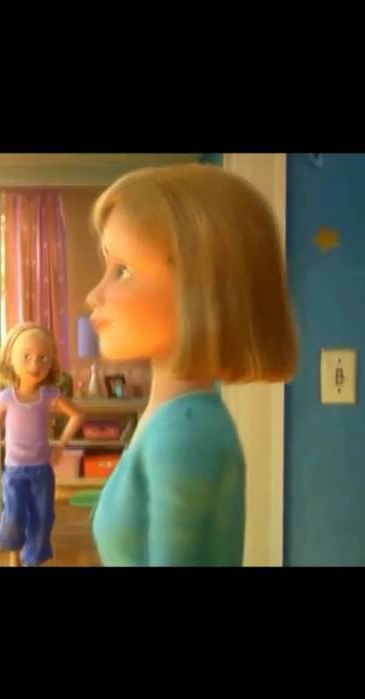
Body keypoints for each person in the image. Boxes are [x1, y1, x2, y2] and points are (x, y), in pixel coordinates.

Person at [86, 164, 297, 566]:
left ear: (198, 286)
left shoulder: (183, 432)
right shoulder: (174, 418)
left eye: (122, 270)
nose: (95, 295)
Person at [0, 322, 83, 566]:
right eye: (26, 356)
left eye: (43, 358)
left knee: (42, 517)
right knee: (13, 517)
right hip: (14, 471)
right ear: (10, 359)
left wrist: (60, 444)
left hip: (41, 471)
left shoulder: (49, 396)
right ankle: (14, 558)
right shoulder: (5, 398)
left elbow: (77, 415)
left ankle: (33, 560)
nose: (34, 365)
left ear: (51, 362)